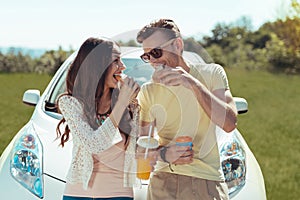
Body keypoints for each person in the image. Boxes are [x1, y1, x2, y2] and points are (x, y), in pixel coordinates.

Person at [136, 19, 238, 200]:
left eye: (156, 53)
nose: (152, 61)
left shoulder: (212, 73)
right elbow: (141, 146)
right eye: (147, 56)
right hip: (163, 183)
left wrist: (191, 83)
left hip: (206, 181)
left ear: (177, 44)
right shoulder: (148, 91)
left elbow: (229, 123)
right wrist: (165, 154)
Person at [56, 37, 140, 200]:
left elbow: (143, 147)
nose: (122, 67)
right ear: (98, 66)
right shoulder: (70, 103)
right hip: (78, 194)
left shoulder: (131, 106)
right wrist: (122, 103)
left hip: (119, 194)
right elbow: (94, 144)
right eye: (116, 60)